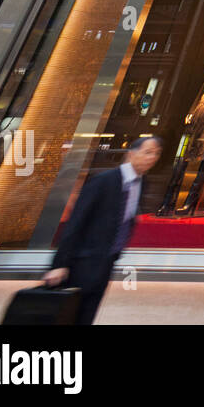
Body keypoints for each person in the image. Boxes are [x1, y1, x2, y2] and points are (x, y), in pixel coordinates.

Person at [43, 136, 163, 324]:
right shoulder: (103, 181)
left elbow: (126, 219)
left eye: (156, 154)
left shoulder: (142, 184)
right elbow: (76, 222)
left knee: (87, 314)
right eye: (148, 152)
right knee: (66, 315)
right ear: (131, 155)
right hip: (81, 262)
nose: (152, 157)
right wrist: (59, 264)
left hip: (105, 263)